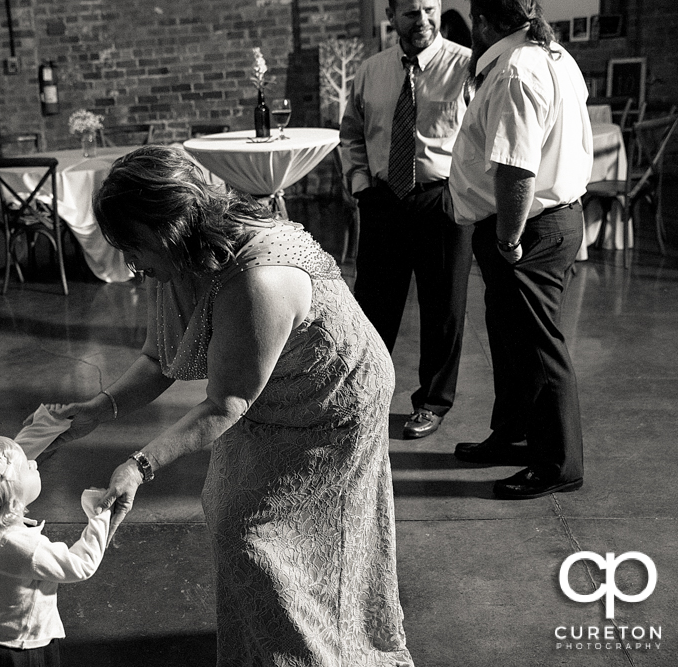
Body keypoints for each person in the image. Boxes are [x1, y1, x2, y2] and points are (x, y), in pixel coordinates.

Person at [45, 145, 414, 666]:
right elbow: (158, 360)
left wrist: (138, 465)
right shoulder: (177, 260)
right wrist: (95, 410)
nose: (129, 263)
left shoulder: (255, 277)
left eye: (133, 245)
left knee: (262, 537)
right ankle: (264, 649)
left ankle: (322, 650)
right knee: (228, 511)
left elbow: (227, 402)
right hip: (264, 389)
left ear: (169, 225)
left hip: (331, 399)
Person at [448, 0, 591, 499]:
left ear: (484, 23)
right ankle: (513, 435)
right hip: (537, 223)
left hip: (528, 228)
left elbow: (516, 169)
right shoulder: (551, 55)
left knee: (536, 343)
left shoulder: (515, 70)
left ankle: (557, 464)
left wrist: (508, 240)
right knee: (509, 337)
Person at [340, 0, 474, 439]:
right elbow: (351, 134)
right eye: (412, 12)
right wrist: (360, 185)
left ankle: (432, 403)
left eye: (430, 9)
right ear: (391, 16)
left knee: (443, 309)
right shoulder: (370, 71)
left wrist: (464, 196)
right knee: (373, 307)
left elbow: (482, 136)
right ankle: (364, 397)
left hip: (441, 201)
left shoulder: (465, 66)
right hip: (383, 200)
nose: (423, 21)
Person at [0, 436, 109, 667]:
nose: (33, 463)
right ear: (11, 501)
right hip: (13, 648)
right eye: (25, 467)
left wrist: (48, 424)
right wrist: (99, 514)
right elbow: (82, 564)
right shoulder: (27, 549)